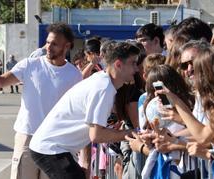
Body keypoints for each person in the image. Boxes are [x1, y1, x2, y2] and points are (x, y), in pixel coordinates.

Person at [0, 22, 82, 179]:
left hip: (55, 141)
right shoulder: (30, 65)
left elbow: (77, 112)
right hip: (27, 137)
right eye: (47, 42)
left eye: (54, 44)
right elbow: (0, 82)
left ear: (66, 46)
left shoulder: (74, 75)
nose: (48, 47)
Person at [29, 42, 140, 179]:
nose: (137, 69)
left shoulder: (102, 81)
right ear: (118, 64)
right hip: (51, 149)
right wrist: (131, 133)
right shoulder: (103, 88)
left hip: (55, 148)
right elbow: (97, 135)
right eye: (133, 63)